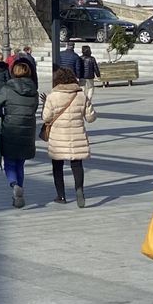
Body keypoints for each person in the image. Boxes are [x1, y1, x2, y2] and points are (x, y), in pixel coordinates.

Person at [0, 59, 39, 208]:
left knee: (9, 162)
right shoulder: (33, 90)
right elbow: (34, 109)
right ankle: (19, 192)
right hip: (27, 130)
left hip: (10, 128)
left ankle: (14, 185)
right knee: (20, 163)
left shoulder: (7, 89)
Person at [42, 67, 90, 206]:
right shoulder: (81, 95)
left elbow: (46, 117)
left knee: (57, 166)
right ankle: (79, 189)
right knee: (77, 164)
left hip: (58, 137)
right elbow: (91, 117)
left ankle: (61, 196)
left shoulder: (52, 96)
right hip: (77, 134)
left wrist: (45, 106)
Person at [77, 44, 102, 109]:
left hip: (82, 76)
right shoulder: (92, 58)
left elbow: (78, 67)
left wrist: (78, 75)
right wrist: (98, 75)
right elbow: (96, 68)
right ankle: (88, 101)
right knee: (91, 88)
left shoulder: (80, 58)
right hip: (89, 76)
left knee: (82, 88)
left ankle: (83, 100)